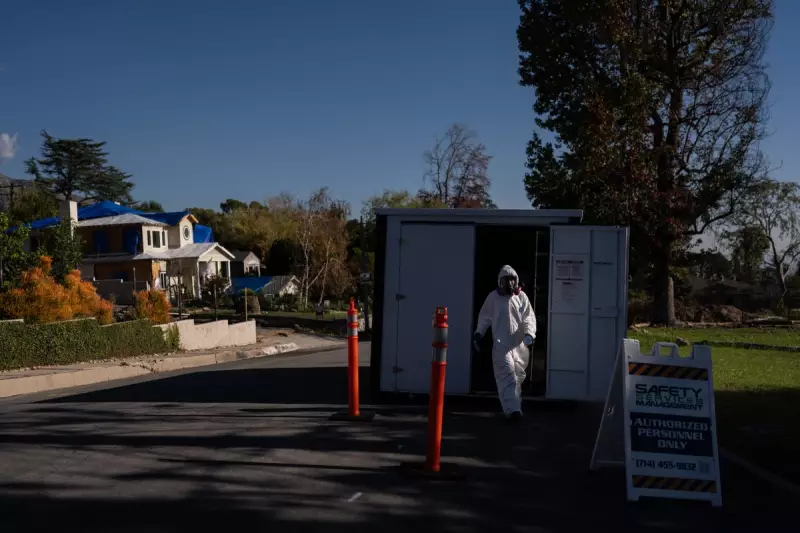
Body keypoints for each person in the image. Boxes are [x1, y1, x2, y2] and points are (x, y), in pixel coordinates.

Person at [473, 265, 536, 422]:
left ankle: (514, 406)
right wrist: (479, 333)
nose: (509, 284)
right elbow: (485, 317)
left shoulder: (521, 297)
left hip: (519, 346)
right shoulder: (493, 298)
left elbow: (528, 317)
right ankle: (513, 411)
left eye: (512, 280)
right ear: (500, 281)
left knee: (517, 378)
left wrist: (530, 333)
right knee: (507, 377)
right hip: (502, 346)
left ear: (516, 281)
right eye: (506, 280)